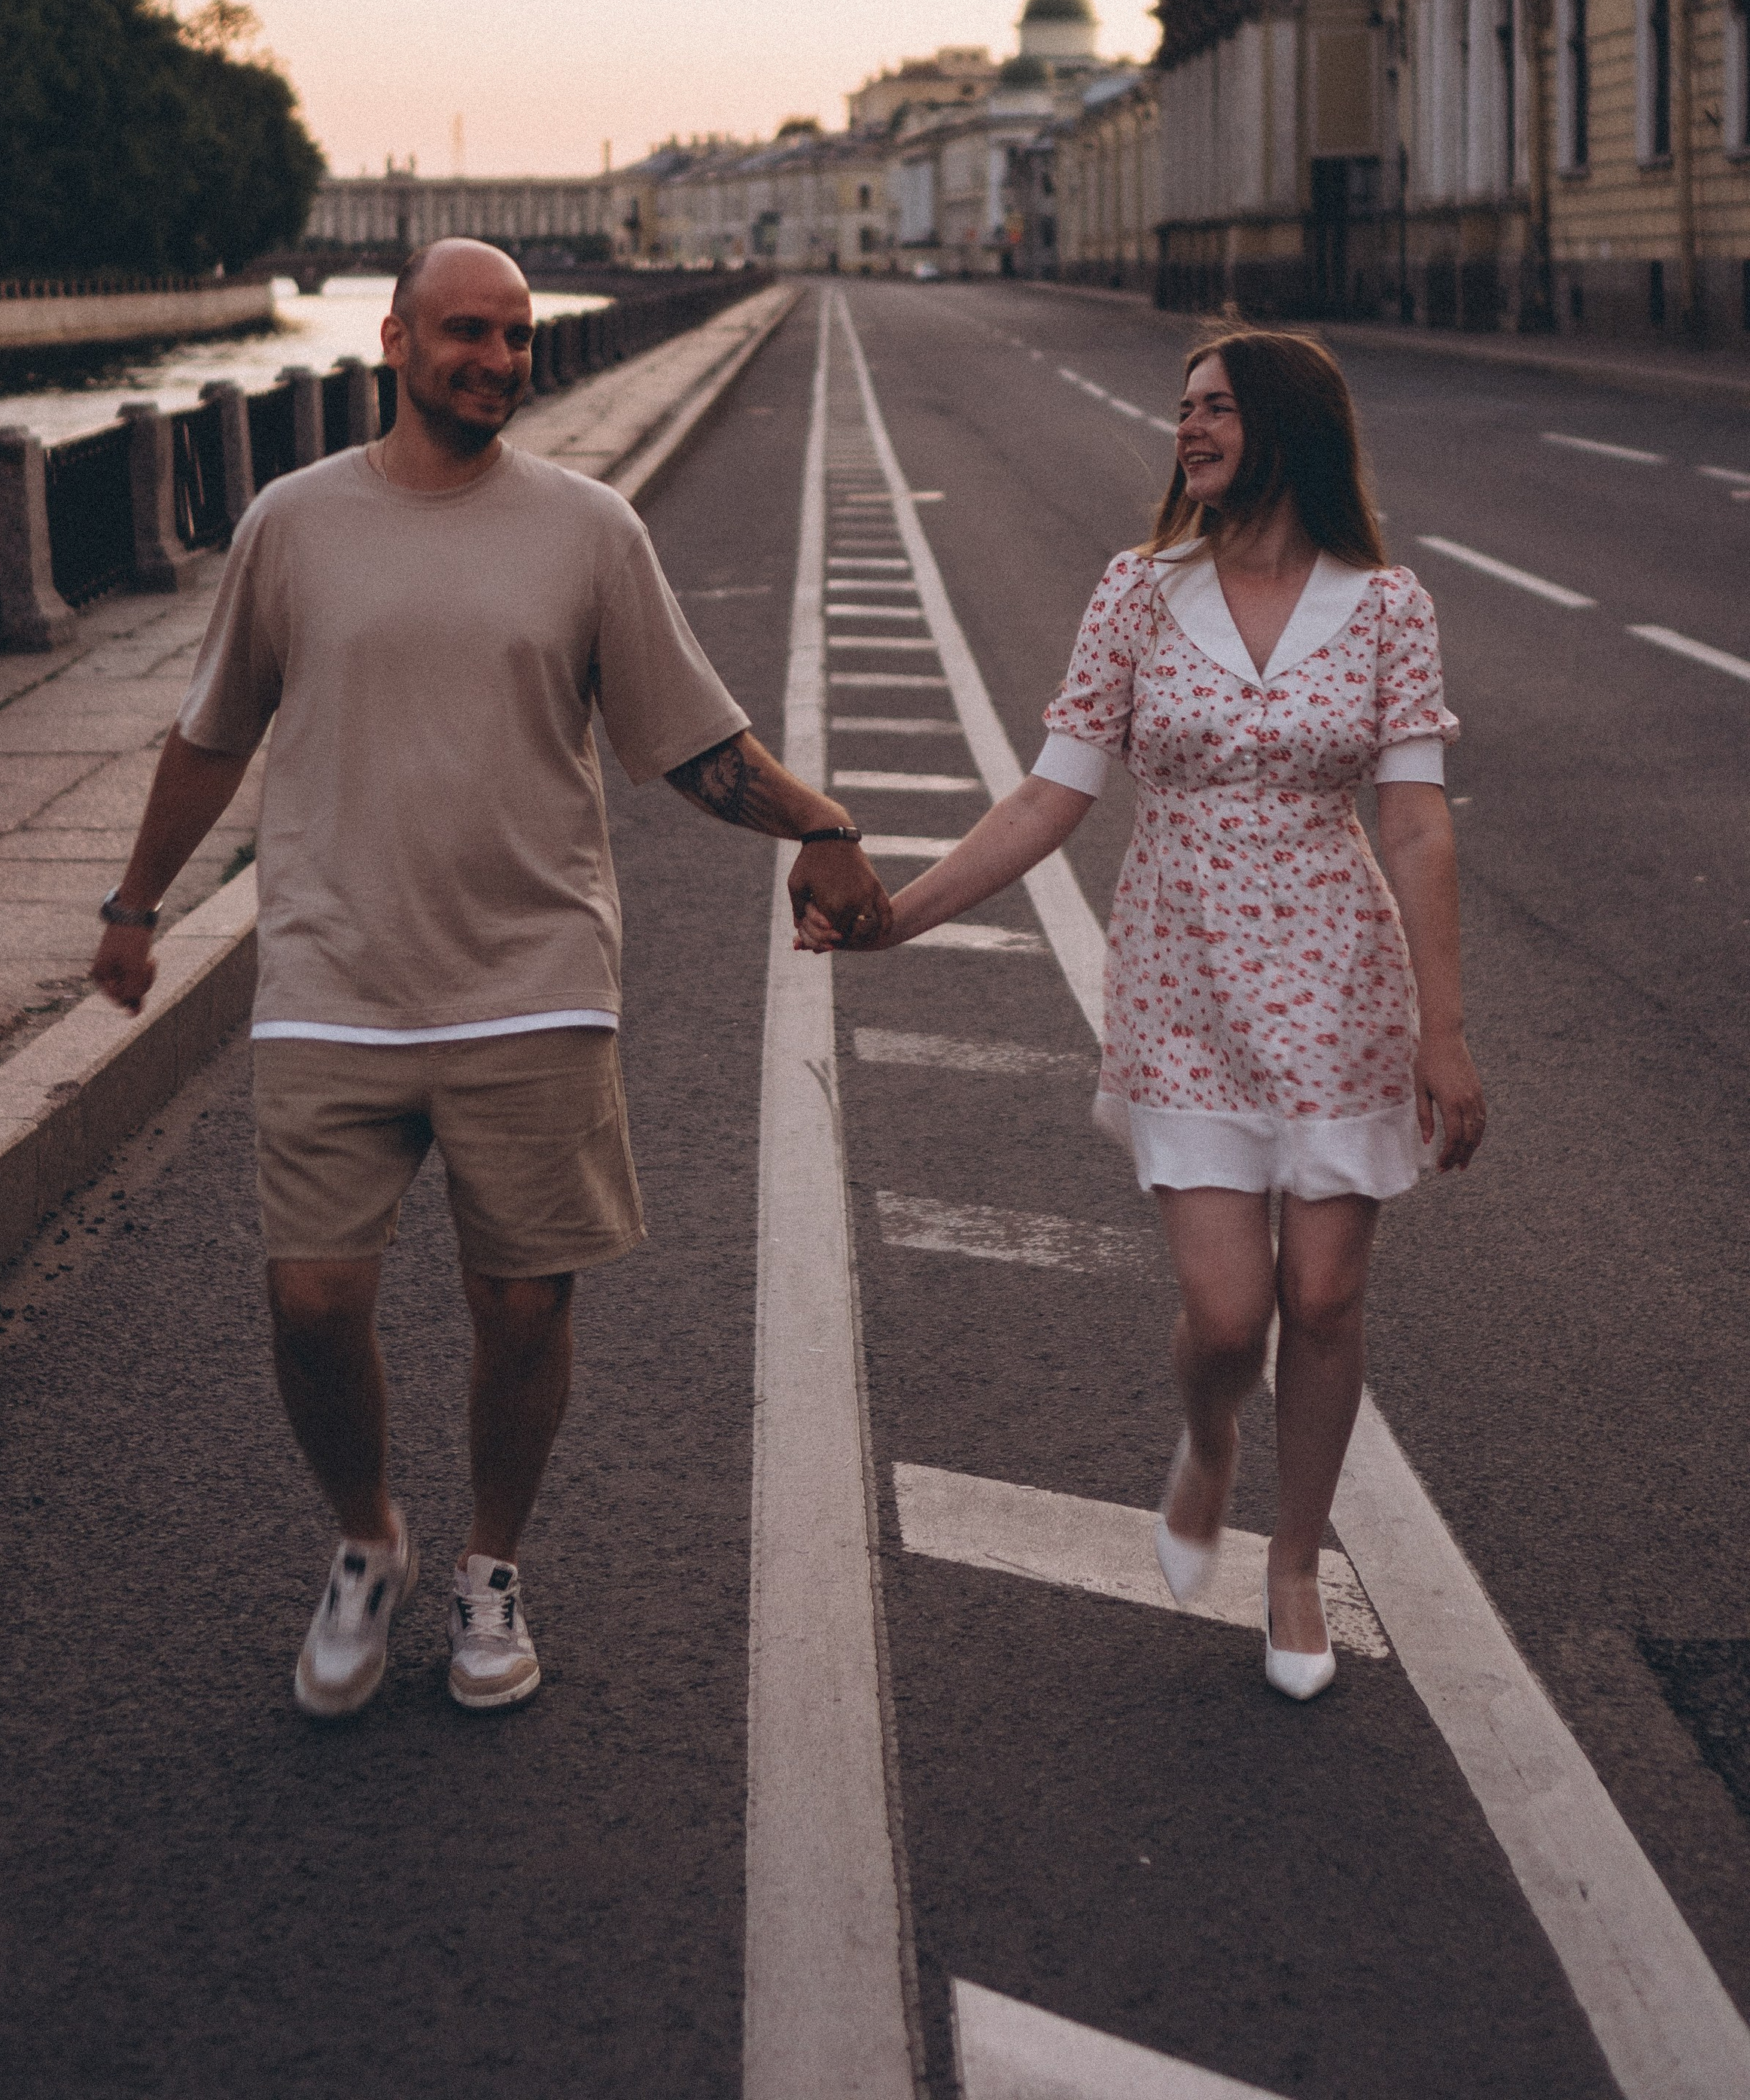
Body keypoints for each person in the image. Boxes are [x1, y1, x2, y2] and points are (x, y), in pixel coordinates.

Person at [92, 239, 888, 1721]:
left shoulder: (586, 530)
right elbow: (211, 734)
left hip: (534, 977)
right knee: (313, 1301)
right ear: (394, 340)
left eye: (515, 338)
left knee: (523, 1310)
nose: (496, 361)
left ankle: (487, 1569)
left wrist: (820, 822)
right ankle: (366, 1539)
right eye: (466, 333)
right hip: (332, 975)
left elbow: (688, 746)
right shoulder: (292, 523)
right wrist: (135, 903)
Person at [800, 325, 1484, 1700]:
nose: (1189, 429)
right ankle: (1212, 1434)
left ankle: (1294, 1564)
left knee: (1328, 1293)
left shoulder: (1389, 607)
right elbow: (1052, 796)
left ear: (1285, 424)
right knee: (1231, 1318)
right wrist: (898, 915)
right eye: (1182, 409)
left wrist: (1445, 1032)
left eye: (1217, 408)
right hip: (1182, 978)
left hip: (1342, 978)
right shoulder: (1138, 592)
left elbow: (1412, 826)